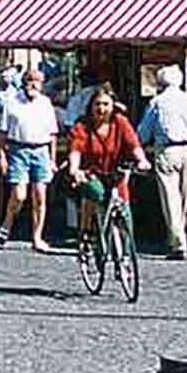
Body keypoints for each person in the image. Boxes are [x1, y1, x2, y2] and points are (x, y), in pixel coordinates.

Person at [137, 65, 187, 260]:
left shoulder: (157, 102)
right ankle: (180, 235)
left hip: (167, 150)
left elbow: (143, 132)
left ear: (160, 83)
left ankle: (178, 242)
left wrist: (140, 146)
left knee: (171, 197)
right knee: (186, 197)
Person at [65, 84, 148, 253]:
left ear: (113, 106)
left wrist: (142, 160)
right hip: (91, 171)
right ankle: (86, 233)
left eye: (105, 104)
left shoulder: (120, 122)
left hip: (115, 172)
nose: (101, 109)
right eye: (97, 104)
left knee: (124, 205)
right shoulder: (83, 124)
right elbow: (76, 148)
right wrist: (75, 169)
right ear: (91, 106)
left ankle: (125, 253)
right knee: (94, 193)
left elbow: (133, 144)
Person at [0, 72, 61, 250]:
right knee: (20, 194)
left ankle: (37, 237)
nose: (33, 85)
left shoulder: (45, 103)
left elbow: (52, 134)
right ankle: (7, 223)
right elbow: (2, 132)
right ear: (24, 83)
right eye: (30, 81)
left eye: (37, 81)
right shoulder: (11, 102)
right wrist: (2, 156)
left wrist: (53, 160)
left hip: (41, 150)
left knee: (40, 196)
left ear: (42, 84)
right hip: (18, 149)